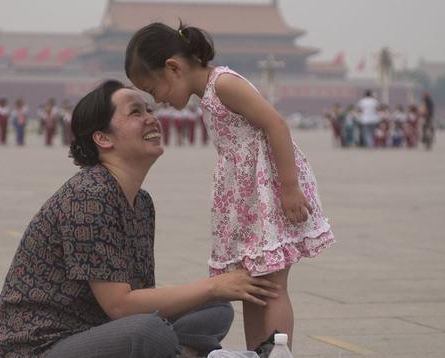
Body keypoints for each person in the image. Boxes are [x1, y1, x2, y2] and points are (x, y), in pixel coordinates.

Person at [0, 80, 279, 358]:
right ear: (102, 138)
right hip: (44, 345)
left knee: (214, 307)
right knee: (150, 332)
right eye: (135, 112)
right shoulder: (88, 197)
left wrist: (215, 291)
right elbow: (120, 306)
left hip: (99, 329)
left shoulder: (141, 202)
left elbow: (139, 296)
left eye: (149, 110)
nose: (151, 119)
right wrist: (215, 284)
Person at [125, 22, 334, 350]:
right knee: (251, 284)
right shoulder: (208, 93)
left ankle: (279, 353)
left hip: (268, 191)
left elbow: (275, 124)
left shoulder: (223, 83)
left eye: (154, 90)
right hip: (244, 196)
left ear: (174, 68)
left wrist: (290, 187)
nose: (159, 100)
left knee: (273, 285)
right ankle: (256, 353)